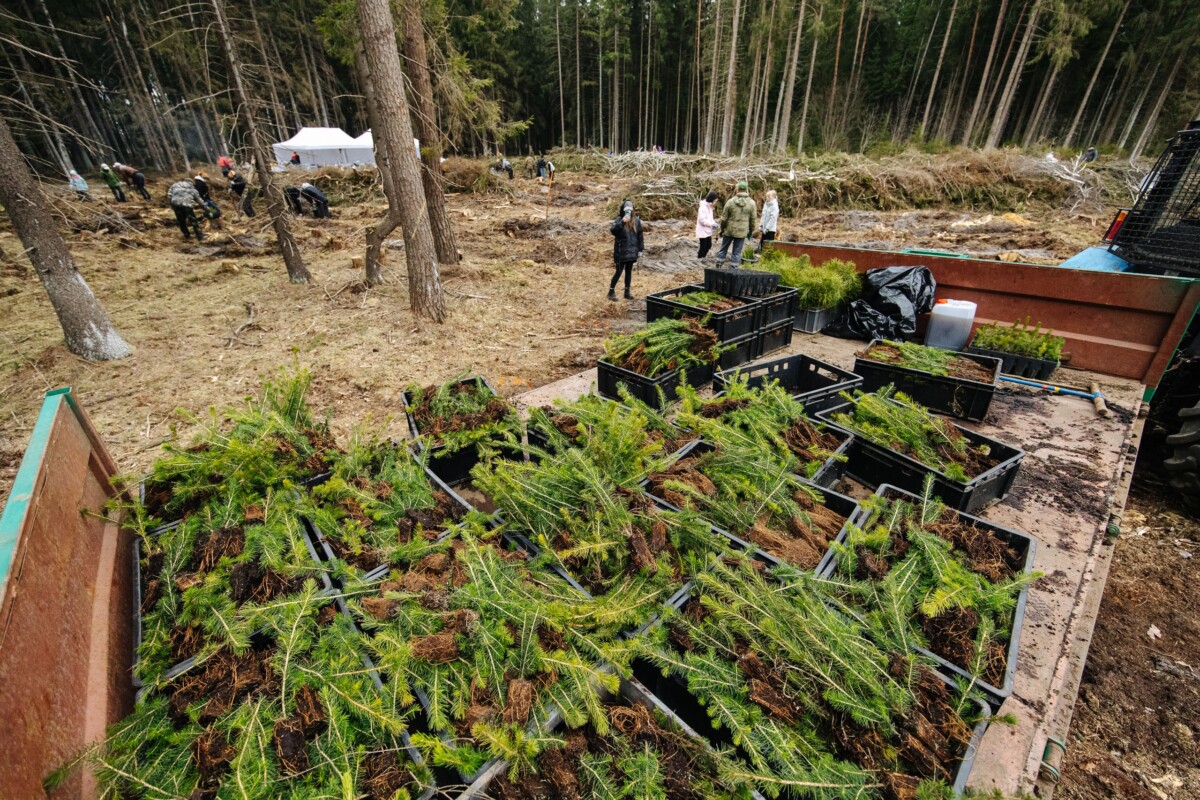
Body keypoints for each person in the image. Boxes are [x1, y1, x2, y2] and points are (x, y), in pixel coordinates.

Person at [608, 199, 643, 301]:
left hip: (632, 252)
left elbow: (640, 236)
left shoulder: (636, 221)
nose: (628, 212)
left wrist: (640, 250)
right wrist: (622, 222)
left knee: (628, 272)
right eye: (626, 210)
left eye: (630, 210)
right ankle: (611, 292)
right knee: (618, 272)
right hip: (621, 252)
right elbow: (613, 231)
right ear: (623, 210)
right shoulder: (619, 220)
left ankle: (627, 292)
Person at [716, 181, 757, 268]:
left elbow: (724, 219)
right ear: (746, 190)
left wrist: (722, 229)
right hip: (742, 232)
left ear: (737, 189)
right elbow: (753, 220)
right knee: (737, 252)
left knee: (723, 249)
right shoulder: (752, 203)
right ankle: (733, 269)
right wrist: (751, 231)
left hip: (729, 230)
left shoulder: (730, 202)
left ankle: (718, 265)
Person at [695, 191, 719, 259]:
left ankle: (703, 257)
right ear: (712, 200)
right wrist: (712, 224)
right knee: (703, 246)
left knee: (709, 245)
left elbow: (710, 218)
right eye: (715, 201)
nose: (715, 203)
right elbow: (702, 221)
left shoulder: (710, 207)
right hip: (702, 230)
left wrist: (714, 223)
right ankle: (700, 258)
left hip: (708, 230)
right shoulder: (703, 208)